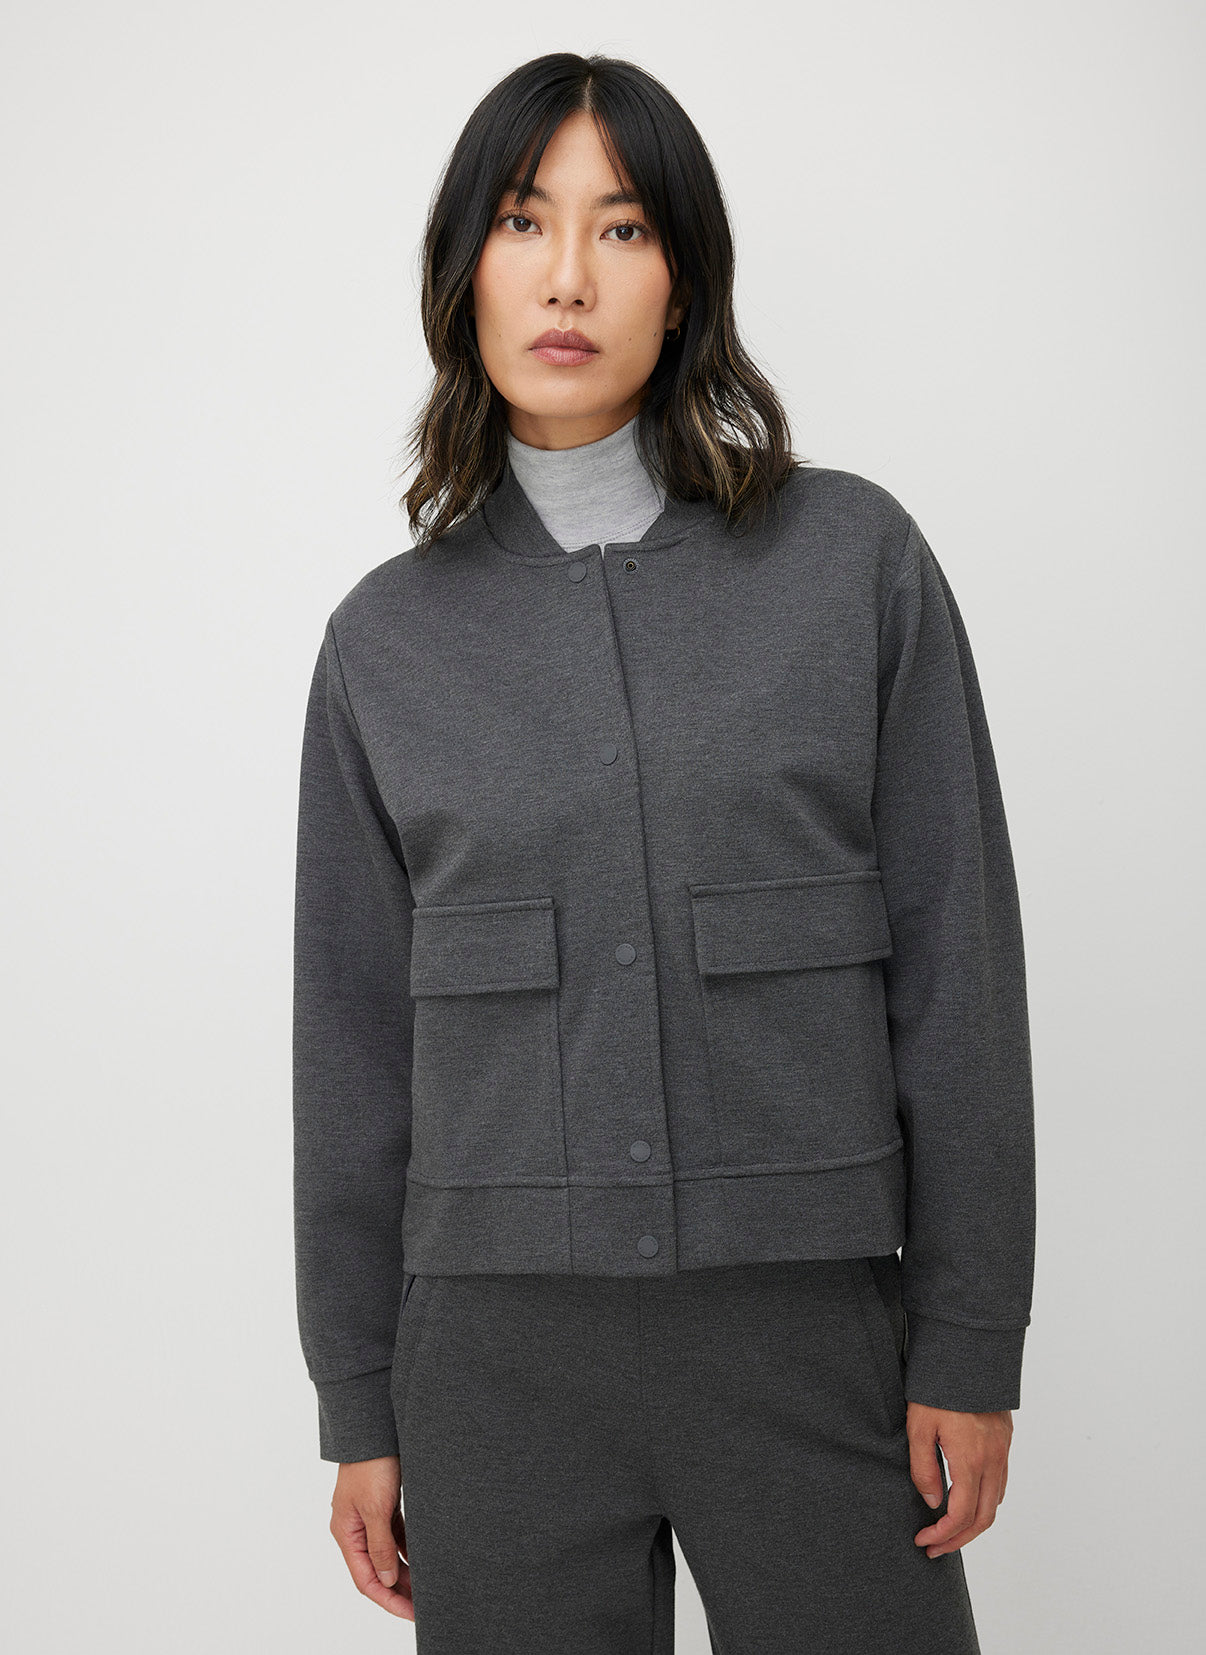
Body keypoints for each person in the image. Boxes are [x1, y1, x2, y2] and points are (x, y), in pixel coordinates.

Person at [292, 50, 1036, 1655]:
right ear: (462, 269)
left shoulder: (853, 563)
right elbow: (349, 1055)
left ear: (682, 279)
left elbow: (958, 975)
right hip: (491, 1371)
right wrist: (356, 1396)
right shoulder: (383, 644)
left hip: (809, 1339)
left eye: (621, 228)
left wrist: (969, 1341)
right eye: (521, 221)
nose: (567, 276)